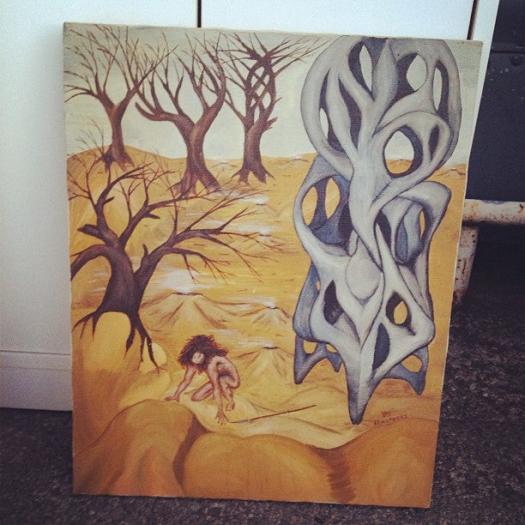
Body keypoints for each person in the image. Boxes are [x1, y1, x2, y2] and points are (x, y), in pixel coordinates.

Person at [165, 335, 240, 424]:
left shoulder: (211, 363)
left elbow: (215, 387)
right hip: (218, 377)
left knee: (220, 382)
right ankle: (221, 391)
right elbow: (186, 380)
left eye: (200, 355)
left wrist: (220, 412)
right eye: (195, 357)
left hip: (232, 380)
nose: (197, 359)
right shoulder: (192, 361)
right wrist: (176, 395)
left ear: (204, 352)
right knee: (195, 397)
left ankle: (230, 401)